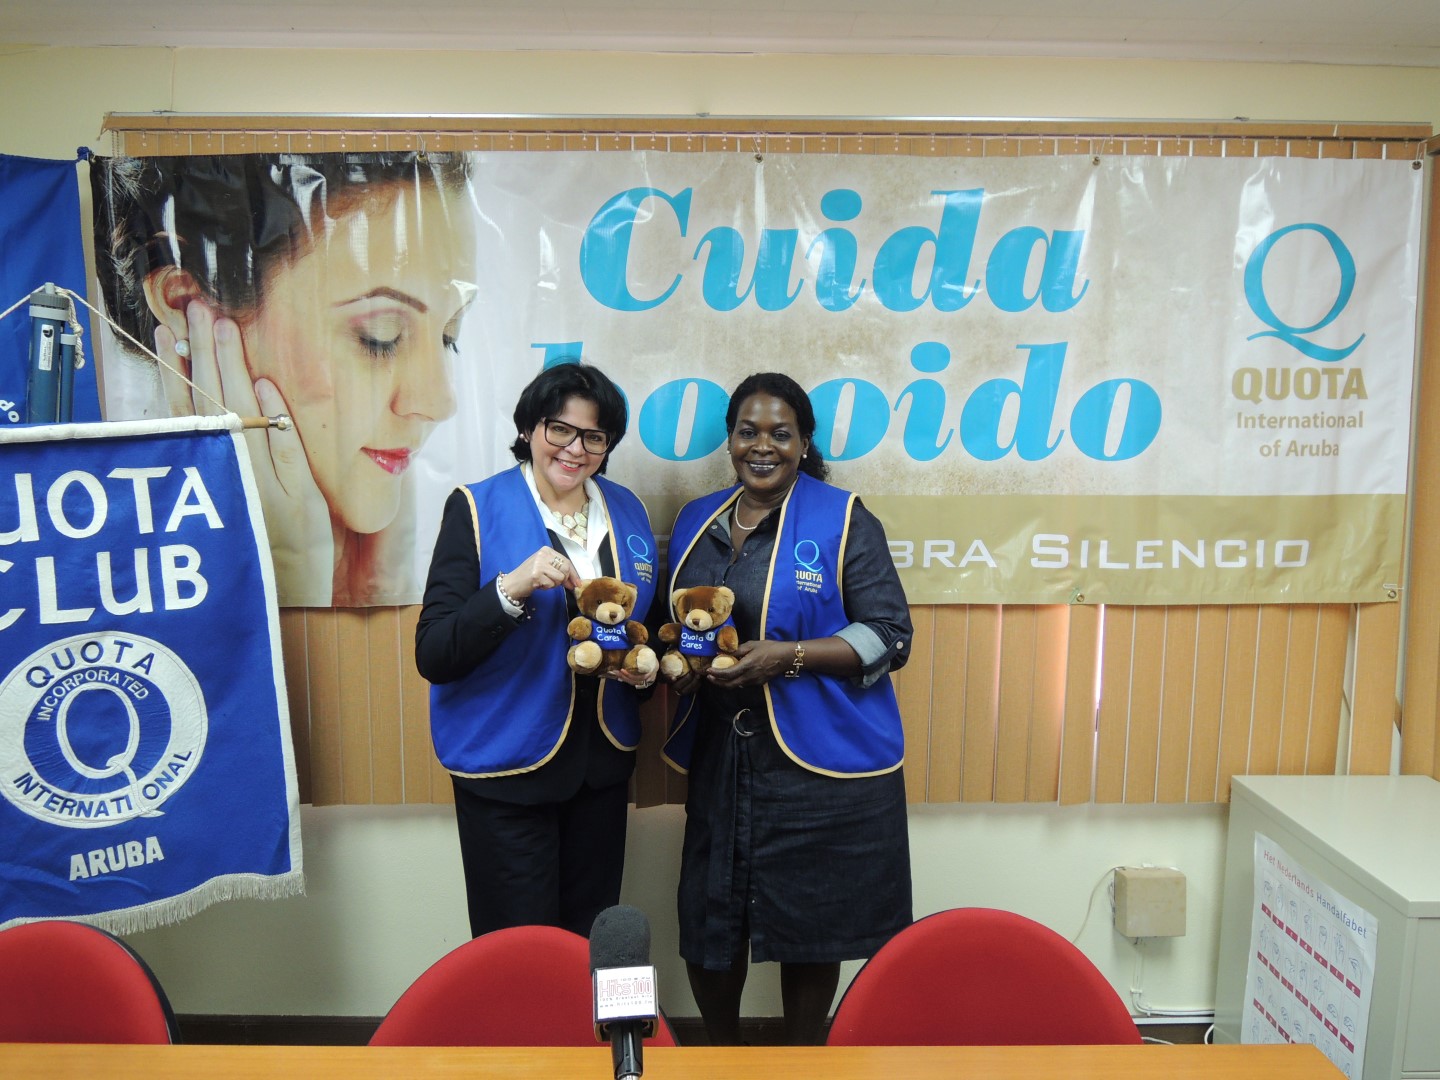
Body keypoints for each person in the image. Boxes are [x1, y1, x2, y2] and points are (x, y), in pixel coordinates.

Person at [92, 152, 480, 606]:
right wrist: (278, 574)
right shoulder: (118, 575)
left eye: (449, 336)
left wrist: (370, 588)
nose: (440, 402)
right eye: (381, 337)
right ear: (187, 306)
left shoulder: (383, 562)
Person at [661, 371, 914, 1046]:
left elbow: (890, 635)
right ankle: (721, 1060)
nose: (762, 446)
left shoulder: (844, 517)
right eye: (748, 432)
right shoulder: (696, 521)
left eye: (781, 433)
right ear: (730, 440)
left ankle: (803, 1062)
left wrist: (790, 657)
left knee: (812, 924)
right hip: (722, 753)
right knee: (711, 919)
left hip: (814, 759)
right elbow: (682, 625)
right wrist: (675, 668)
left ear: (804, 443)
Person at [415, 361, 659, 938]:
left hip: (601, 769)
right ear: (529, 428)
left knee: (589, 945)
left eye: (594, 436)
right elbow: (435, 652)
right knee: (518, 953)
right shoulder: (475, 506)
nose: (575, 449)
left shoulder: (628, 510)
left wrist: (642, 674)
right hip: (506, 767)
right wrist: (510, 588)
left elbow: (637, 630)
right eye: (560, 429)